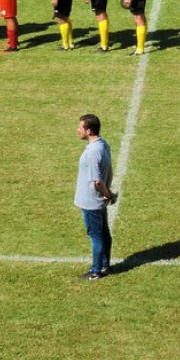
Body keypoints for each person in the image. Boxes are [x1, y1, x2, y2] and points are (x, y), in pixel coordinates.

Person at [74, 113, 117, 281]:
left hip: (91, 201)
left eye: (80, 127)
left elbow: (97, 181)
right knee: (104, 234)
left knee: (96, 236)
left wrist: (108, 194)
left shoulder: (92, 152)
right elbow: (110, 171)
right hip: (98, 200)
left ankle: (96, 271)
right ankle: (105, 265)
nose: (78, 130)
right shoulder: (103, 145)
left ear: (89, 130)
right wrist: (109, 193)